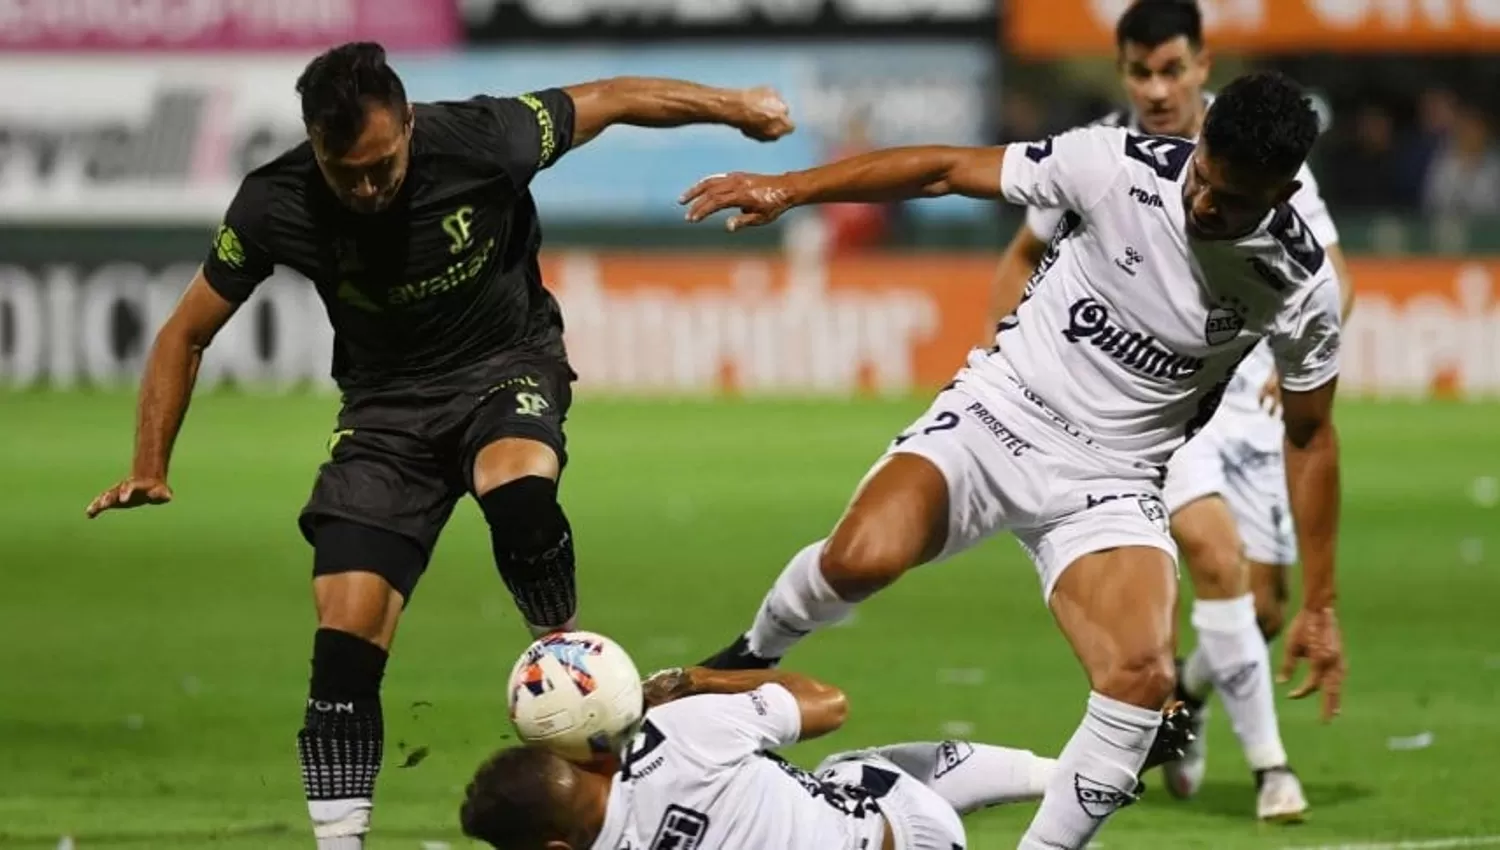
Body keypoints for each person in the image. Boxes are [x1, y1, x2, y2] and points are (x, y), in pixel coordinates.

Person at [82, 41, 794, 850]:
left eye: (381, 164)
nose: (366, 186)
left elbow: (612, 96)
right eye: (344, 170)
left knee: (521, 497)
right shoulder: (273, 203)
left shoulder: (484, 137)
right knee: (342, 640)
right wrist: (150, 463)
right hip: (384, 415)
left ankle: (563, 652)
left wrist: (738, 107)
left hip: (505, 365)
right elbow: (185, 333)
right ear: (315, 146)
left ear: (409, 125)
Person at [681, 70, 1346, 850]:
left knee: (1142, 679)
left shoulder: (1299, 283)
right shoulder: (1112, 166)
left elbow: (1310, 437)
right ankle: (741, 663)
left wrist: (1321, 602)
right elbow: (945, 170)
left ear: (1283, 192)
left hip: (1111, 480)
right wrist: (790, 188)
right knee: (860, 560)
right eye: (1204, 176)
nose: (1206, 204)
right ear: (1198, 144)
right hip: (1001, 414)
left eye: (1234, 201)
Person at [986, 0, 1357, 821]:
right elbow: (1021, 257)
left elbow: (1330, 269)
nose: (1156, 89)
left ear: (1201, 65)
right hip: (1154, 401)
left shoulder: (1259, 144)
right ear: (1123, 73)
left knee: (1261, 608)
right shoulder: (1107, 154)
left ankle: (1183, 704)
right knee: (1215, 561)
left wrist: (1314, 347)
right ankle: (1272, 770)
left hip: (1254, 388)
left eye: (1171, 69)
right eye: (1139, 71)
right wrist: (1014, 355)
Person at [458, 666, 1192, 849]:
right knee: (853, 769)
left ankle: (1074, 779)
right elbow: (826, 701)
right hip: (912, 831)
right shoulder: (680, 733)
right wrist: (697, 681)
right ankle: (1078, 778)